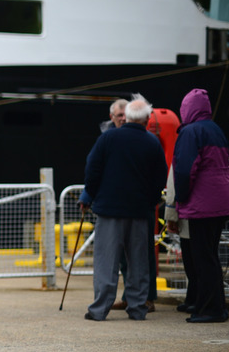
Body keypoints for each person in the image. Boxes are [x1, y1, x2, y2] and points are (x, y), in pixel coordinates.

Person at [79, 94, 167, 321]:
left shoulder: (108, 139)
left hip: (109, 210)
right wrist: (149, 201)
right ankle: (138, 308)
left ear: (126, 117)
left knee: (107, 261)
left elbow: (92, 169)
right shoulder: (152, 142)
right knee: (138, 262)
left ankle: (99, 309)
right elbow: (160, 178)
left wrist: (92, 195)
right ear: (147, 119)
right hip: (139, 211)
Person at [172, 88, 229, 323]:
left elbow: (185, 170)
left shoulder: (190, 132)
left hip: (202, 204)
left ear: (188, 108)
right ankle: (216, 305)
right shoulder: (215, 129)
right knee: (211, 256)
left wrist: (181, 199)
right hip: (220, 202)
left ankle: (209, 309)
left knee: (202, 258)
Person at [163, 165, 197, 314]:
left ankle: (196, 299)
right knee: (207, 259)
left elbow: (174, 183)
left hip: (190, 211)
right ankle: (197, 298)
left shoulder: (184, 147)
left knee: (192, 261)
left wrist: (170, 214)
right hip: (215, 208)